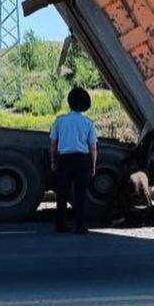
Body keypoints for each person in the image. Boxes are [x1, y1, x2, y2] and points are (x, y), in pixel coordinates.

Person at [50, 86, 98, 234]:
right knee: (80, 195)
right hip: (82, 160)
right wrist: (93, 165)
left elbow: (53, 143)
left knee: (62, 194)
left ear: (69, 102)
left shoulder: (59, 121)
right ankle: (80, 226)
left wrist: (53, 160)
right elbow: (93, 147)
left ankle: (60, 225)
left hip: (64, 159)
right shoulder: (88, 123)